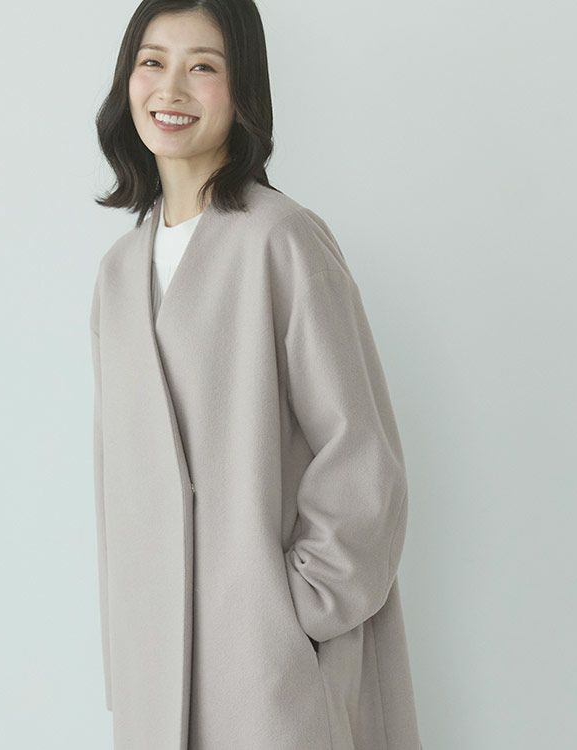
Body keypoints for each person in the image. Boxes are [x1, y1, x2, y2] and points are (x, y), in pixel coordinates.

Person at [90, 1, 422, 748]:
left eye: (203, 66)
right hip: (154, 682)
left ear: (243, 91)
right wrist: (128, 657)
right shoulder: (118, 275)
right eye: (152, 62)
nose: (171, 88)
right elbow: (117, 485)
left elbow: (361, 456)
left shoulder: (283, 240)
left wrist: (294, 611)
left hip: (270, 674)